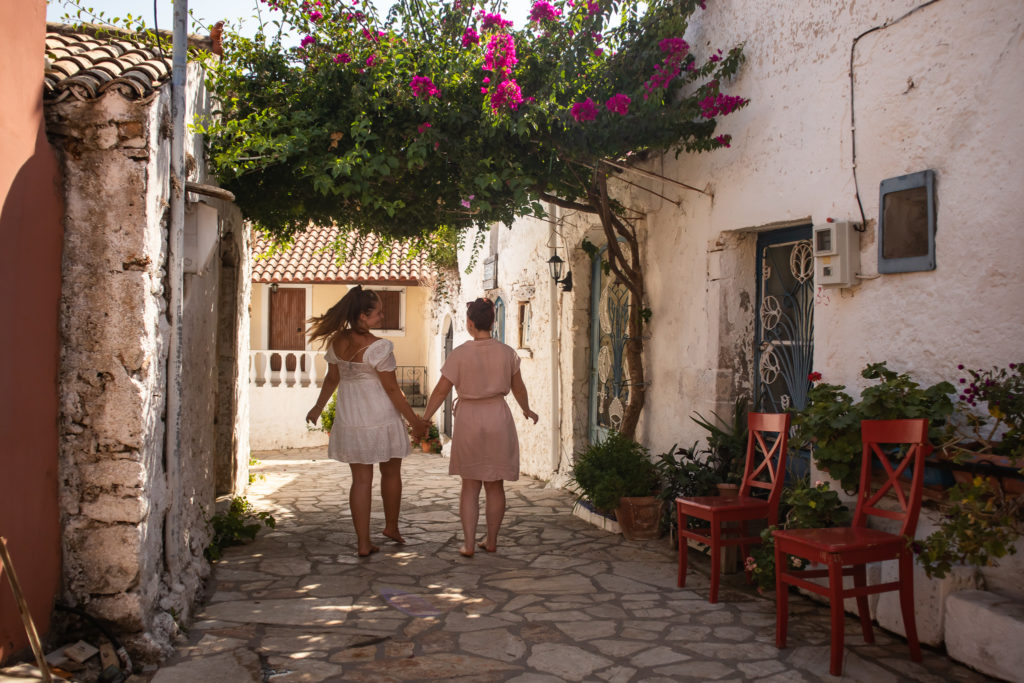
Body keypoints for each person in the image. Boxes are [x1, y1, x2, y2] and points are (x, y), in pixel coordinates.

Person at [306, 286, 428, 557]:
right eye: (378, 313)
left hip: (352, 418)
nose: (383, 317)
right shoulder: (379, 347)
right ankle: (391, 527)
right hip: (380, 416)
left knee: (360, 481)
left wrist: (318, 407)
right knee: (391, 471)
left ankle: (363, 543)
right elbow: (393, 390)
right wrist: (414, 423)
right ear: (362, 315)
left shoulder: (337, 341)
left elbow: (332, 379)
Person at [421, 298, 538, 557]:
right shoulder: (507, 353)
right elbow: (518, 387)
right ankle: (492, 540)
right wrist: (527, 410)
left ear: (470, 323)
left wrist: (426, 417)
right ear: (493, 322)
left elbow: (441, 390)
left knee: (470, 485)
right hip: (498, 415)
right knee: (495, 485)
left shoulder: (460, 354)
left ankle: (470, 544)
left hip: (469, 418)